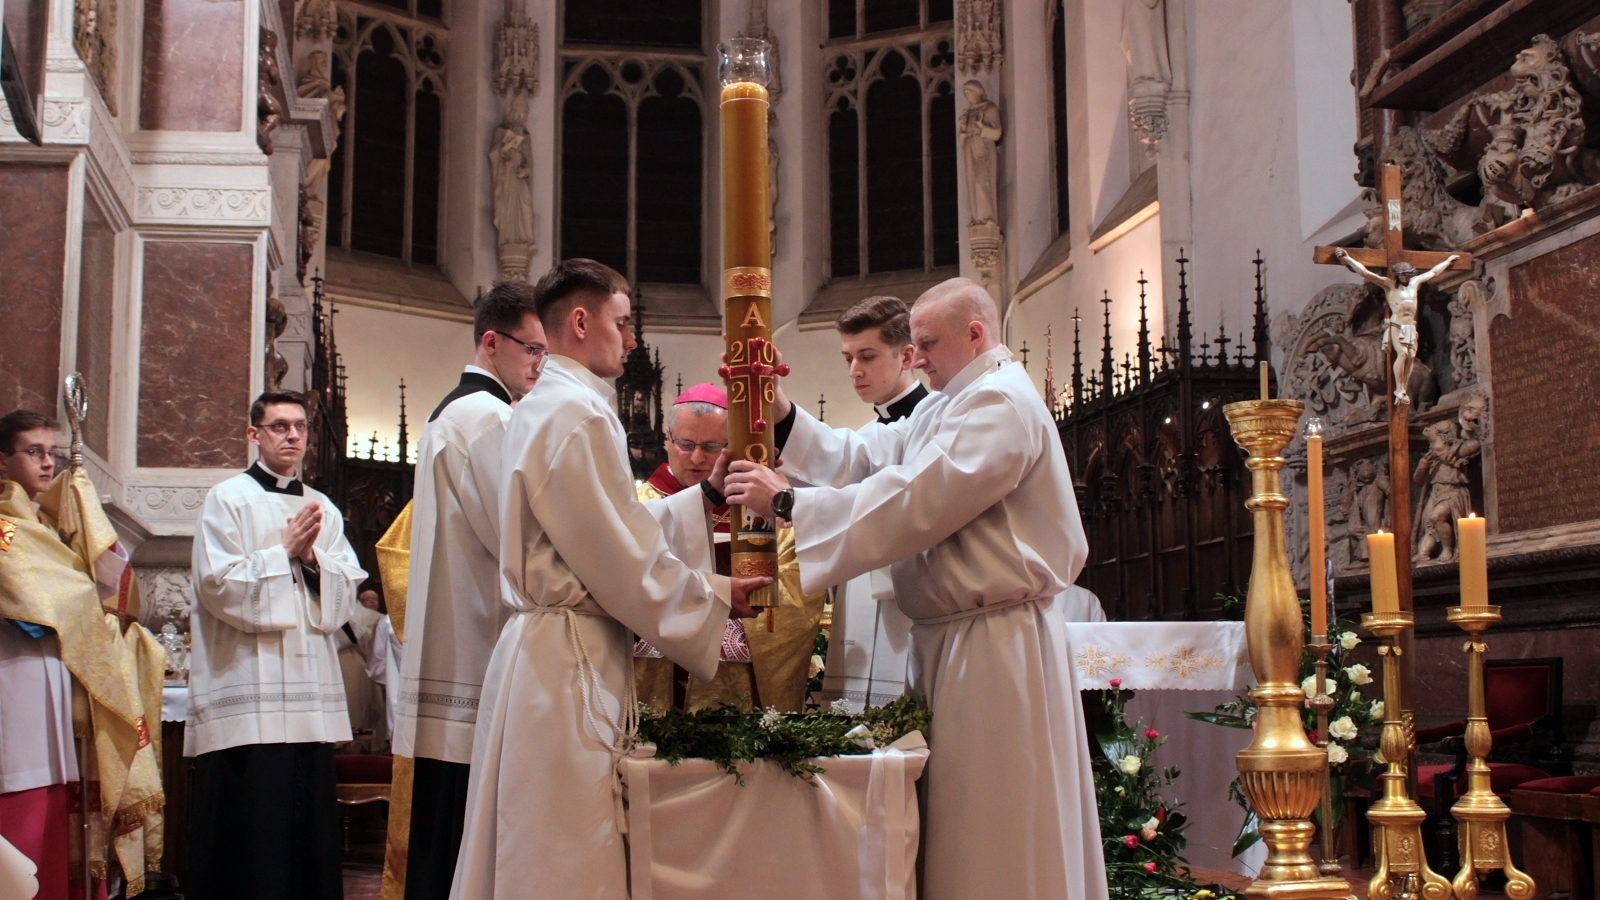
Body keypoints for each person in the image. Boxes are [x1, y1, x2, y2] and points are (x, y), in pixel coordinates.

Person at [726, 277, 1108, 900]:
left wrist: (791, 502)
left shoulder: (1000, 402)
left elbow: (919, 499)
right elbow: (861, 458)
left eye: (927, 344)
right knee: (957, 811)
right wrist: (778, 406)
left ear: (975, 334)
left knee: (994, 815)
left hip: (996, 642)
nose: (917, 357)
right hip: (956, 637)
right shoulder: (946, 403)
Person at [449, 259, 769, 900]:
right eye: (621, 324)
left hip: (544, 650)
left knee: (533, 835)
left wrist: (704, 533)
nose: (631, 339)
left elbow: (609, 533)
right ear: (580, 321)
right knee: (564, 844)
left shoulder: (541, 406)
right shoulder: (578, 414)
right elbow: (620, 559)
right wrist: (711, 597)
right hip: (565, 662)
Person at [394, 280, 546, 900]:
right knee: (466, 838)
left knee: (443, 832)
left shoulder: (452, 412)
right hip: (478, 649)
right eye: (532, 349)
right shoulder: (489, 417)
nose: (540, 365)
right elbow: (520, 539)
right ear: (491, 342)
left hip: (455, 651)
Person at [187, 391, 367, 900]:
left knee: (305, 823)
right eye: (279, 426)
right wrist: (282, 552)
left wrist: (312, 562)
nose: (292, 436)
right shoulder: (227, 499)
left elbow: (345, 595)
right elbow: (215, 584)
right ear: (254, 435)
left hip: (307, 695)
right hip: (247, 688)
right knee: (251, 823)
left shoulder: (324, 508)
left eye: (300, 427)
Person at [634, 384, 826, 713]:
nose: (696, 458)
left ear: (731, 447)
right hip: (650, 675)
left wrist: (732, 619)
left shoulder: (762, 508)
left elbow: (798, 587)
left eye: (711, 447)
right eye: (686, 444)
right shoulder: (635, 504)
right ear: (668, 438)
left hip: (736, 682)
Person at [818, 296, 927, 711]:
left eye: (867, 356)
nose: (854, 371)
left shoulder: (933, 422)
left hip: (909, 605)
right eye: (848, 358)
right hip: (860, 599)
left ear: (907, 357)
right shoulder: (868, 433)